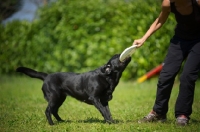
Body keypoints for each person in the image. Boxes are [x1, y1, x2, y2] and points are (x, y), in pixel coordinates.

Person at [133, 0, 200, 126]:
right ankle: (158, 113)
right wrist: (143, 38)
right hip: (179, 40)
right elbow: (159, 20)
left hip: (198, 41)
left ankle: (182, 115)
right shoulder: (168, 3)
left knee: (187, 76)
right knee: (166, 75)